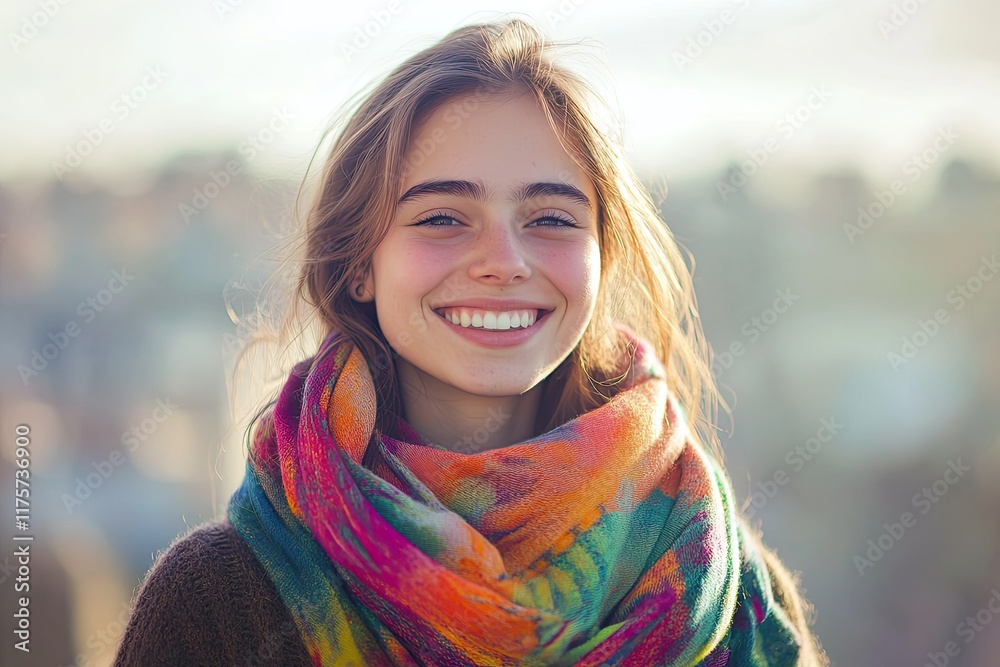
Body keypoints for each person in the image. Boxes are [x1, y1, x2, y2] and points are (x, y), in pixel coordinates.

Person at [115, 18, 828, 666]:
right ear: (361, 262)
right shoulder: (219, 603)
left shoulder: (730, 590)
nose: (504, 259)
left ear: (601, 257)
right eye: (442, 218)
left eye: (550, 216)